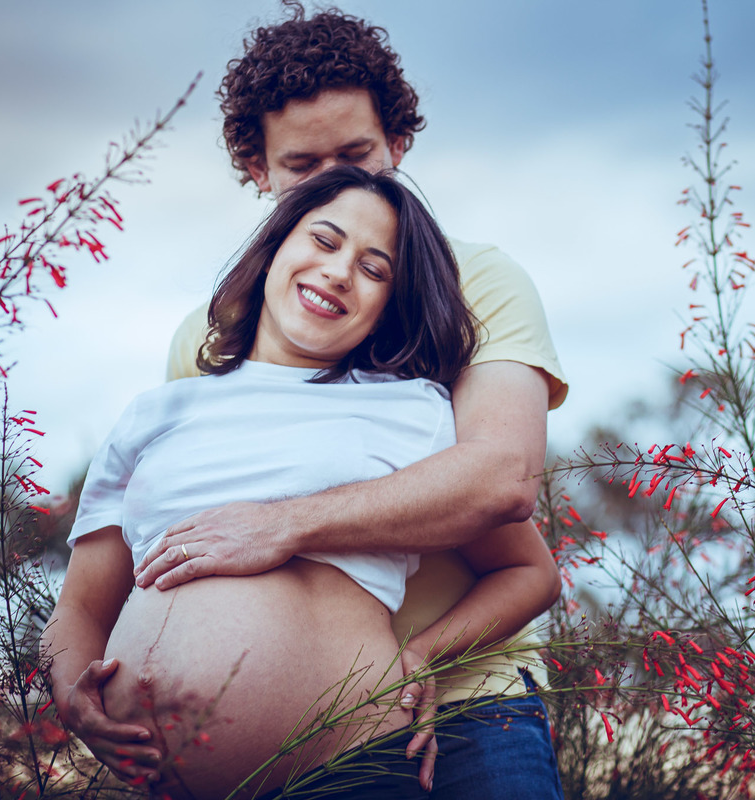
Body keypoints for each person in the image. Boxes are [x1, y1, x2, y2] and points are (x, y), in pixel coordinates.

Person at [129, 6, 568, 798]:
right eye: (302, 165)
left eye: (357, 152)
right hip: (280, 760)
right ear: (255, 168)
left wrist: (286, 524)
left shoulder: (480, 284)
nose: (335, 179)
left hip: (468, 708)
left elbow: (503, 478)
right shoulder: (204, 335)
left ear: (398, 143)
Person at [42, 167, 561, 799]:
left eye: (375, 270)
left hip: (347, 765)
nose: (341, 272)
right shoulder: (154, 413)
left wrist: (425, 653)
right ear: (274, 249)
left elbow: (530, 571)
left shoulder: (412, 411)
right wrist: (71, 695)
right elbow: (79, 608)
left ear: (385, 310)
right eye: (323, 240)